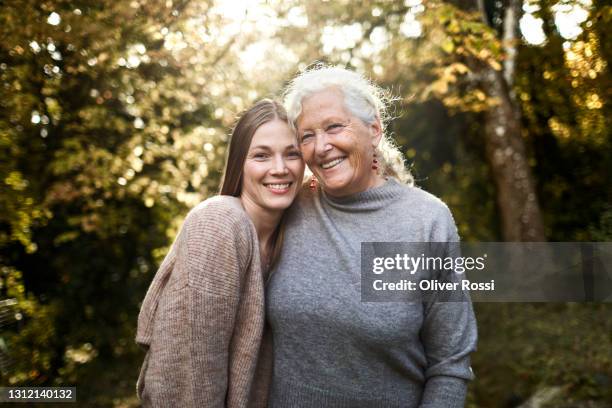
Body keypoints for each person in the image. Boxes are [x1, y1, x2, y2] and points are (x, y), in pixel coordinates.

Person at [266, 66, 477, 407]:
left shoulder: (427, 220)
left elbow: (450, 360)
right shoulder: (286, 207)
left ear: (374, 129)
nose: (321, 147)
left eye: (334, 127)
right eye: (306, 136)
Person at [135, 99, 304, 407]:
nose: (279, 169)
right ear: (240, 162)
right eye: (261, 156)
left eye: (291, 154)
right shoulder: (219, 224)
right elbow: (193, 374)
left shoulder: (290, 234)